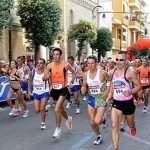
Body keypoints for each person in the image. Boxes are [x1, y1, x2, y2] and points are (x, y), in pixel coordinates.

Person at [107, 51, 141, 150]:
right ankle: (116, 148)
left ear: (126, 61)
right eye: (117, 59)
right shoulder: (112, 71)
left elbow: (139, 86)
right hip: (117, 103)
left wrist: (130, 91)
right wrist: (109, 94)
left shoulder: (130, 72)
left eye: (121, 60)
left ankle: (132, 127)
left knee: (130, 123)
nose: (118, 62)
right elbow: (113, 84)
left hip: (128, 103)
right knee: (114, 126)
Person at [43, 48, 76, 138]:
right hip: (54, 90)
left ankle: (58, 129)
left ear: (60, 55)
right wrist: (47, 76)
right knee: (60, 109)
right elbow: (43, 78)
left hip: (63, 89)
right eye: (54, 54)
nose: (55, 56)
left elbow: (74, 73)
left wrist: (71, 82)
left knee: (57, 109)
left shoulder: (66, 65)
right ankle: (68, 118)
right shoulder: (49, 65)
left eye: (57, 54)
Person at [81, 55, 110, 145]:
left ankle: (103, 118)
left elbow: (110, 81)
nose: (90, 65)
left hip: (101, 98)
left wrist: (107, 92)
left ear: (96, 63)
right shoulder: (85, 74)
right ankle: (99, 136)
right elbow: (84, 85)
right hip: (91, 98)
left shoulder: (102, 73)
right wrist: (83, 88)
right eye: (88, 63)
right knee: (93, 122)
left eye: (92, 63)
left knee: (97, 121)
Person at [28, 58, 50, 130]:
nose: (39, 64)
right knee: (37, 110)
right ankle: (45, 109)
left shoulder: (46, 72)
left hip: (44, 92)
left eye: (41, 63)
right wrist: (29, 91)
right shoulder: (33, 71)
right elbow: (29, 81)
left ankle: (43, 123)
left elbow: (51, 81)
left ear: (44, 64)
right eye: (38, 63)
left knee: (42, 108)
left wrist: (50, 89)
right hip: (36, 92)